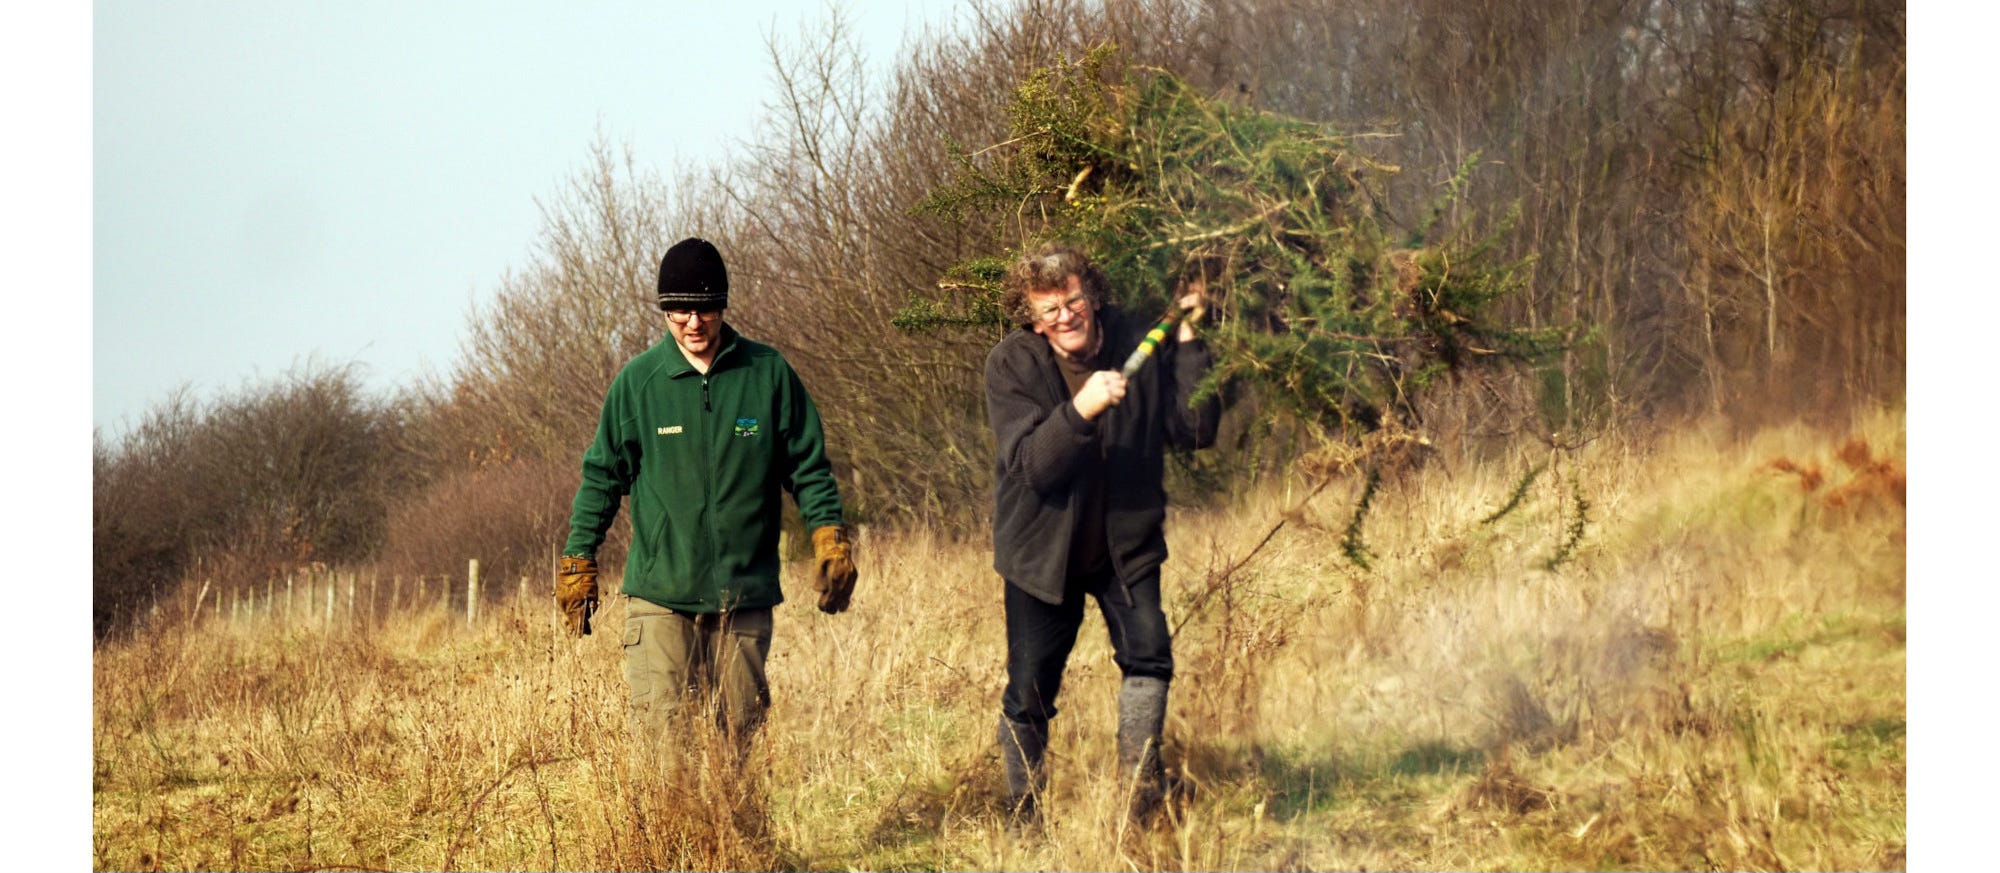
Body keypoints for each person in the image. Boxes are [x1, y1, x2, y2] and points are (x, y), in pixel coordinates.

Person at [554, 236, 858, 749]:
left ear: (723, 306)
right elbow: (602, 476)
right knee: (665, 752)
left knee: (739, 748)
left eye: (706, 309)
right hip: (660, 597)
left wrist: (830, 535)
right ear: (664, 311)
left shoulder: (767, 374)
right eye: (680, 311)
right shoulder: (638, 384)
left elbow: (808, 466)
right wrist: (579, 557)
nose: (694, 323)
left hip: (743, 594)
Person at [984, 243, 1220, 826]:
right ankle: (1023, 813)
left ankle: (1142, 795)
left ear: (1090, 296)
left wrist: (1187, 340)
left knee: (1150, 659)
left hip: (1125, 544)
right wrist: (1080, 410)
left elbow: (1195, 429)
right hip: (1042, 553)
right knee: (1029, 692)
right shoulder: (1011, 365)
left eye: (1072, 301)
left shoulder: (1138, 338)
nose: (1065, 316)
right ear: (1032, 320)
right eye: (1049, 310)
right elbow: (1033, 467)